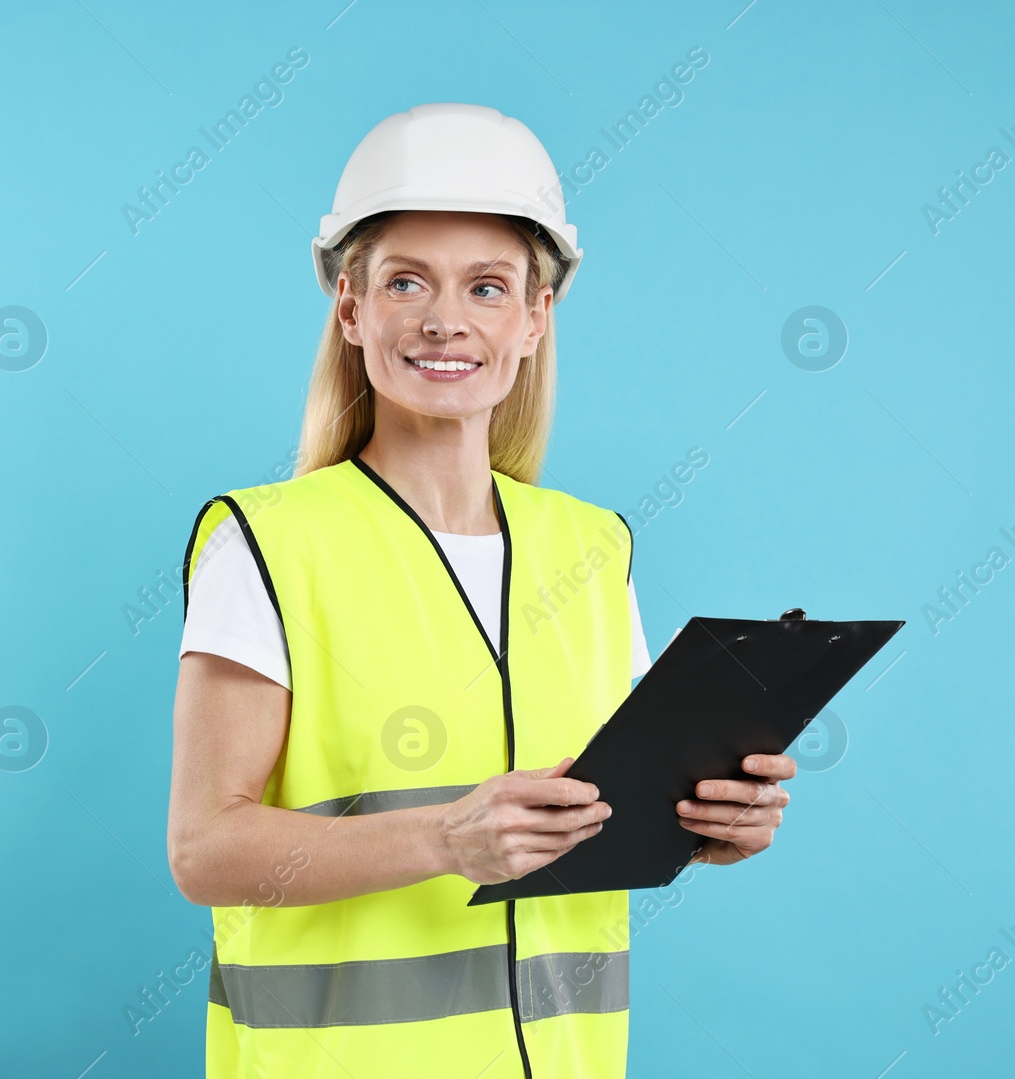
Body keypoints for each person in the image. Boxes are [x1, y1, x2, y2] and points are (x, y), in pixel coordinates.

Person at [166, 104, 796, 1079]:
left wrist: (716, 826)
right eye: (404, 280)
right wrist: (446, 836)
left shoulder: (592, 546)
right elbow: (205, 848)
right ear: (349, 306)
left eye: (487, 286)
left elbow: (615, 814)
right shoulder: (267, 542)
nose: (443, 319)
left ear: (535, 316)